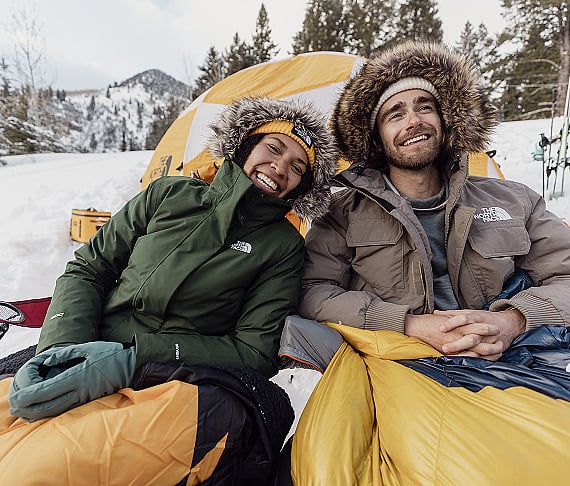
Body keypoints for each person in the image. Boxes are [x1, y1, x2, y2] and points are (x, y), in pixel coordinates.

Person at [0, 95, 338, 485]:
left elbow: (253, 350)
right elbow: (89, 268)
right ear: (245, 145)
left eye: (297, 167)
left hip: (174, 382)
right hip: (89, 345)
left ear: (301, 186)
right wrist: (63, 347)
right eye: (274, 148)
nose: (280, 167)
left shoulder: (282, 246)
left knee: (47, 467)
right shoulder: (167, 195)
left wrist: (131, 359)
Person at [298, 40, 570, 360]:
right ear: (377, 140)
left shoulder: (515, 200)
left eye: (424, 107)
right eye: (395, 115)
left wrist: (513, 320)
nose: (414, 121)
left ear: (446, 121)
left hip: (520, 362)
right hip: (403, 369)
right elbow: (313, 292)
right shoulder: (341, 215)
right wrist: (408, 325)